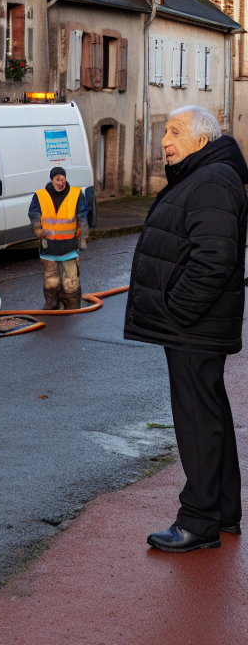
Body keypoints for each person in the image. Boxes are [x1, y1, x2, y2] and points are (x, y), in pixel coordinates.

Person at [125, 106, 246, 552]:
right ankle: (223, 513)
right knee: (210, 415)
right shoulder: (207, 174)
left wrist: (177, 310)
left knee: (198, 421)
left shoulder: (212, 180)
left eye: (174, 131)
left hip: (195, 326)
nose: (164, 140)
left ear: (202, 139)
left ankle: (198, 522)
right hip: (200, 325)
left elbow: (215, 259)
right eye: (163, 132)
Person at [27, 165, 88, 309]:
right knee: (51, 279)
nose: (61, 182)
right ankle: (51, 304)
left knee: (70, 280)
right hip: (49, 246)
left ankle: (72, 305)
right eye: (58, 179)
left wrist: (83, 238)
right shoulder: (40, 195)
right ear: (52, 180)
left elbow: (83, 217)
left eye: (63, 179)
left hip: (69, 246)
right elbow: (34, 213)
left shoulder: (76, 194)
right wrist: (37, 229)